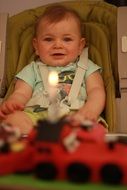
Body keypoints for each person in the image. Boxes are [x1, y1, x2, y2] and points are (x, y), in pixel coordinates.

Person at [0, 5, 106, 135]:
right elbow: (21, 93)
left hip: (76, 115)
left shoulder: (88, 67)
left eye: (67, 39)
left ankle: (70, 143)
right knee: (13, 120)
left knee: (94, 127)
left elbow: (97, 90)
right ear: (36, 46)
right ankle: (38, 142)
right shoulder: (32, 69)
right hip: (37, 118)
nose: (57, 45)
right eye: (48, 39)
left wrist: (90, 110)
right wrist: (13, 103)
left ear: (80, 46)